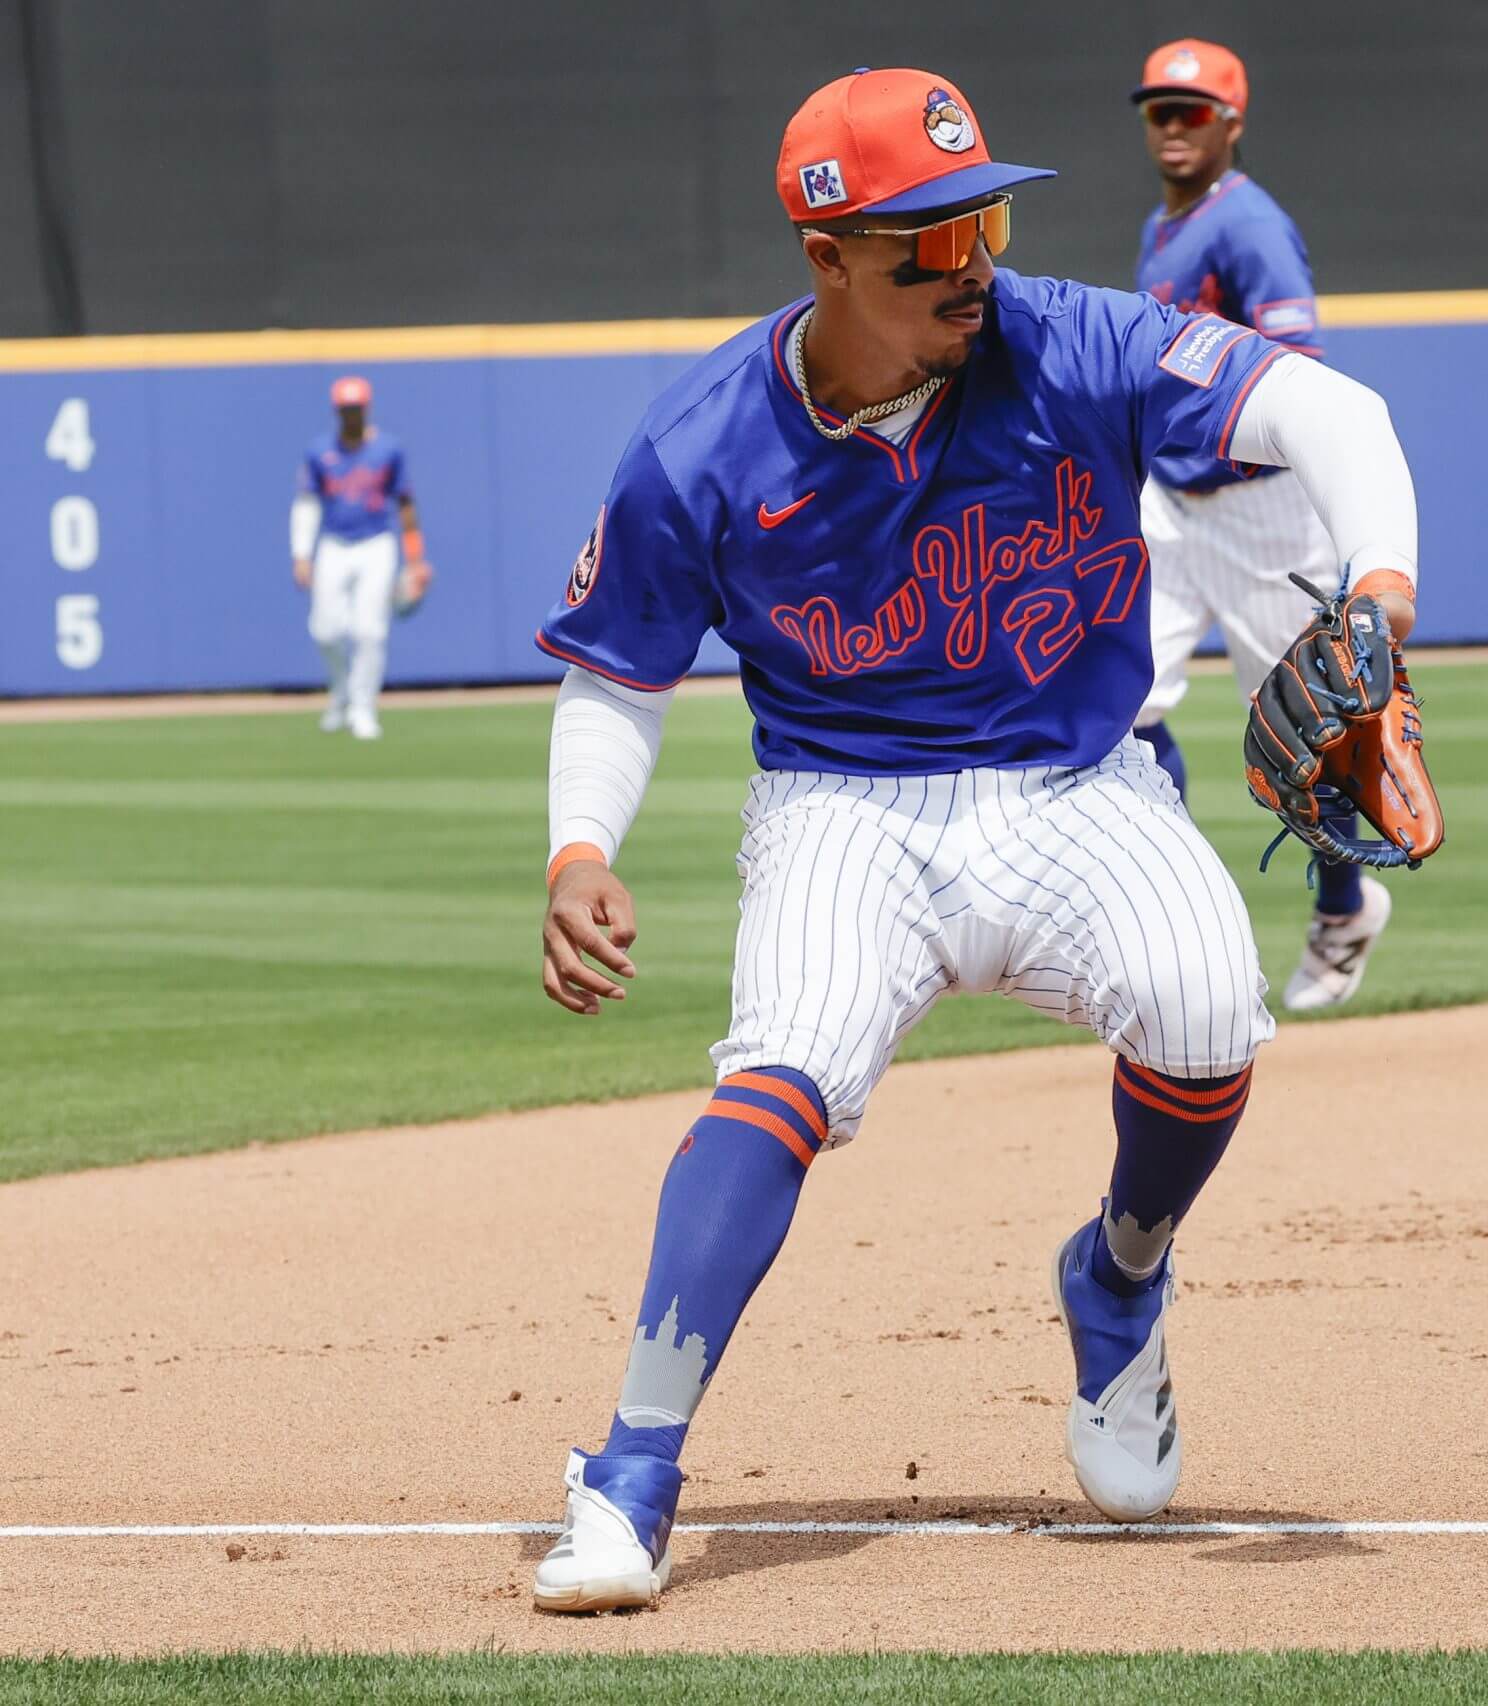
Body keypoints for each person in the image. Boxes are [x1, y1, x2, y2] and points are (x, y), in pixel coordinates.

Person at [528, 66, 1423, 1612]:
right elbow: (617, 671)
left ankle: (1118, 1276)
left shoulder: (1073, 339)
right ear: (827, 259)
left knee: (1211, 1007)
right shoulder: (699, 444)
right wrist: (577, 849)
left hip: (1077, 783)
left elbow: (1335, 412)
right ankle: (628, 1480)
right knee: (782, 1069)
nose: (973, 260)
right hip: (840, 810)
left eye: (983, 216)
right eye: (927, 237)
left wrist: (1381, 594)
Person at [1124, 38, 1394, 1010]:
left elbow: (1299, 377)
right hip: (1169, 505)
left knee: (1301, 740)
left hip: (1259, 510)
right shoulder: (1168, 224)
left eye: (1191, 111)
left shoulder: (1250, 228)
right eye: (1160, 110)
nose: (1174, 126)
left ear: (1231, 122)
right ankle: (1174, 916)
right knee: (1120, 709)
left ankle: (1342, 903)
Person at [290, 377, 429, 739]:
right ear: (337, 411)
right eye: (345, 409)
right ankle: (341, 690)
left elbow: (405, 503)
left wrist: (415, 558)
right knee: (325, 629)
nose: (351, 415)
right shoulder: (321, 452)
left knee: (369, 631)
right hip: (334, 544)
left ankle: (363, 708)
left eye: (356, 409)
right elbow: (307, 503)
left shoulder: (388, 449)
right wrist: (301, 554)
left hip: (376, 544)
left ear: (365, 409)